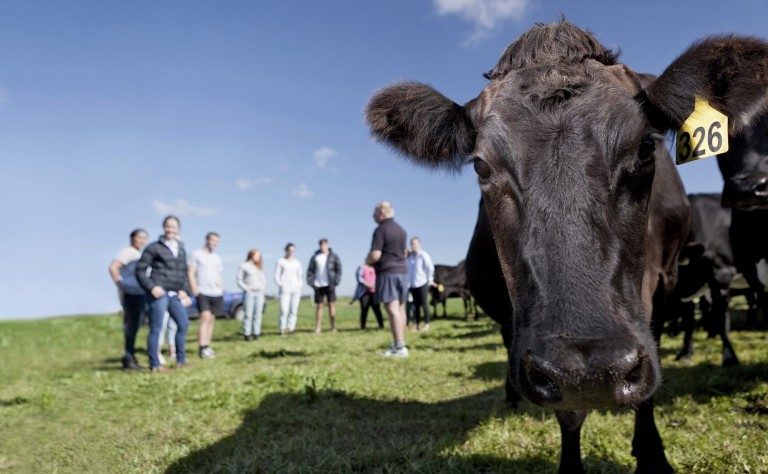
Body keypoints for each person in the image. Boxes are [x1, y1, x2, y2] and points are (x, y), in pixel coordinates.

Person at [135, 215, 192, 372]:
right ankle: (155, 364)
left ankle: (181, 359)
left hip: (175, 294)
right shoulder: (154, 247)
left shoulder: (181, 249)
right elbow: (140, 270)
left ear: (178, 229)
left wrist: (184, 290)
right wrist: (151, 287)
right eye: (168, 226)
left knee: (183, 324)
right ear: (163, 227)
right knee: (156, 328)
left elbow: (184, 273)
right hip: (159, 293)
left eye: (173, 227)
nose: (170, 229)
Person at [366, 201, 409, 357]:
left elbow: (375, 255)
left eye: (374, 212)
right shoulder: (401, 230)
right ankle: (400, 342)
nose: (373, 216)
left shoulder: (380, 229)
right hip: (403, 272)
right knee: (400, 308)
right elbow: (404, 252)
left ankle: (399, 346)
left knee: (392, 310)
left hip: (388, 272)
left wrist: (367, 261)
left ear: (381, 213)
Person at [108, 228, 149, 370]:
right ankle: (128, 357)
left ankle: (130, 356)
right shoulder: (127, 252)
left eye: (145, 238)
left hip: (138, 293)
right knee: (131, 325)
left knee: (136, 324)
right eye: (140, 238)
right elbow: (113, 267)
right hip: (131, 294)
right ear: (132, 238)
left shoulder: (138, 253)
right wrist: (121, 285)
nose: (142, 241)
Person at [188, 232, 224, 359]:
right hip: (202, 291)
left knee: (211, 320)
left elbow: (219, 275)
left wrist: (221, 288)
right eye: (212, 240)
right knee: (205, 317)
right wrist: (194, 289)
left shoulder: (217, 258)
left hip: (216, 292)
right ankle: (202, 347)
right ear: (206, 240)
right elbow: (191, 272)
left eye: (216, 241)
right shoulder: (197, 254)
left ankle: (207, 346)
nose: (213, 243)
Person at [306, 238, 342, 333]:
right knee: (320, 306)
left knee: (331, 305)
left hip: (330, 284)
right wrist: (311, 283)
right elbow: (310, 270)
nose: (323, 247)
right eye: (321, 245)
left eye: (324, 244)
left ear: (328, 245)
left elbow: (339, 269)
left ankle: (333, 327)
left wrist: (336, 282)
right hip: (318, 285)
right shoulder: (315, 257)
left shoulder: (333, 256)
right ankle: (318, 328)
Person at [237, 248, 266, 341]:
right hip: (249, 292)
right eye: (257, 255)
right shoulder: (244, 266)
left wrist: (262, 286)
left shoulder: (258, 267)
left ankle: (256, 333)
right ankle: (247, 333)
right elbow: (239, 279)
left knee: (258, 314)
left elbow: (263, 279)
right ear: (251, 255)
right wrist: (246, 288)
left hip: (259, 292)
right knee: (248, 314)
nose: (258, 257)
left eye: (259, 255)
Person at [407, 237, 435, 331]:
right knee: (415, 305)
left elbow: (430, 268)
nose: (413, 246)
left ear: (419, 244)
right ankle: (416, 324)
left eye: (415, 244)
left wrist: (429, 280)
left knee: (424, 303)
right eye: (412, 244)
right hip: (413, 283)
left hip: (422, 282)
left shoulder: (423, 255)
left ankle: (427, 323)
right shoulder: (410, 257)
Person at [274, 243, 303, 335]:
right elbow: (276, 274)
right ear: (286, 250)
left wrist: (299, 285)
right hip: (285, 289)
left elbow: (300, 275)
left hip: (295, 289)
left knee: (293, 310)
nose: (291, 252)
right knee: (284, 310)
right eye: (289, 250)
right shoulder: (281, 261)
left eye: (293, 251)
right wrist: (280, 284)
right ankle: (282, 328)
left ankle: (291, 328)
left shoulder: (297, 262)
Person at [352, 263, 384, 329]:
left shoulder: (376, 267)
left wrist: (375, 285)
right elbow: (359, 278)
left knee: (377, 309)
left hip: (374, 292)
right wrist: (367, 285)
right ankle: (363, 326)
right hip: (364, 293)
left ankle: (381, 325)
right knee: (364, 309)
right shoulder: (361, 267)